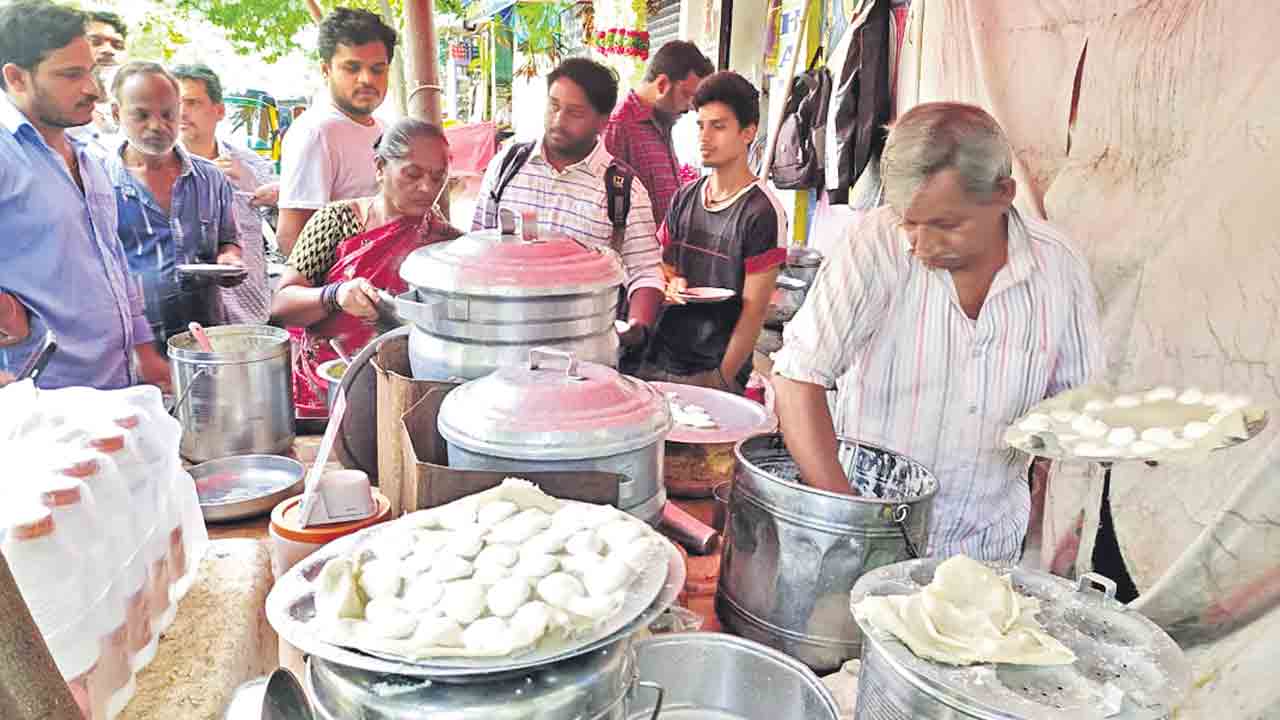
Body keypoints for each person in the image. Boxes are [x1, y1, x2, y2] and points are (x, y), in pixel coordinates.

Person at [771, 102, 1103, 563]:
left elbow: (1077, 407)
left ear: (1003, 194)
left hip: (983, 555)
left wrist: (1133, 438)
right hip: (863, 542)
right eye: (909, 220)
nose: (922, 245)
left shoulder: (1058, 267)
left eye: (947, 225)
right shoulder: (876, 245)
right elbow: (796, 378)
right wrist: (852, 524)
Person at [0, 0, 167, 390]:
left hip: (114, 389)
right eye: (71, 74)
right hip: (38, 401)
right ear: (16, 78)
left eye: (90, 71)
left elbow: (113, 260)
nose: (93, 89)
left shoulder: (88, 156)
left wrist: (144, 351)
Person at [272, 118, 461, 417]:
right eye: (412, 174)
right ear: (379, 168)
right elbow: (282, 306)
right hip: (328, 392)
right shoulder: (337, 222)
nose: (426, 187)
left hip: (406, 396)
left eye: (438, 178)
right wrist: (335, 296)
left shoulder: (447, 244)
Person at [472, 57, 665, 351]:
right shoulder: (506, 166)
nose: (559, 120)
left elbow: (646, 274)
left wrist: (636, 329)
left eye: (575, 113)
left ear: (602, 121)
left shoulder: (624, 191)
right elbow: (477, 243)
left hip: (583, 349)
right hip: (502, 338)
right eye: (553, 106)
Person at [632, 72, 786, 394]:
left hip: (712, 371)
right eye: (700, 125)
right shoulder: (685, 197)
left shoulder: (762, 212)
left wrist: (722, 377)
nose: (704, 137)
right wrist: (671, 280)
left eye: (718, 126)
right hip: (659, 360)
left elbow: (753, 312)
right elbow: (660, 263)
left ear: (748, 132)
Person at [106, 61, 245, 349]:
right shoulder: (99, 184)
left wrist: (229, 260)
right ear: (116, 113)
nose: (157, 125)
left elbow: (229, 240)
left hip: (205, 339)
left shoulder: (211, 178)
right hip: (134, 349)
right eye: (141, 115)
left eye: (168, 113)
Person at [276, 7, 396, 255]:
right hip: (342, 289)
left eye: (377, 69)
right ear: (326, 70)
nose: (366, 79)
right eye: (352, 68)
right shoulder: (316, 133)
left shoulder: (384, 129)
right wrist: (332, 293)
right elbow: (292, 238)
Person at [174, 63, 279, 325]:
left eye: (192, 102)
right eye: (174, 103)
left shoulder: (249, 164)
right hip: (187, 314)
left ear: (218, 110)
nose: (181, 112)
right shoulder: (155, 169)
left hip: (248, 310)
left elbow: (285, 231)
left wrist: (270, 194)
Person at [602, 40, 712, 226]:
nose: (690, 108)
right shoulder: (619, 127)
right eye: (686, 95)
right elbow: (606, 209)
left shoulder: (663, 122)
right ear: (662, 85)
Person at [71, 9, 128, 157]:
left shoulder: (141, 109)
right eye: (96, 42)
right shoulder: (54, 113)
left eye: (117, 45)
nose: (109, 50)